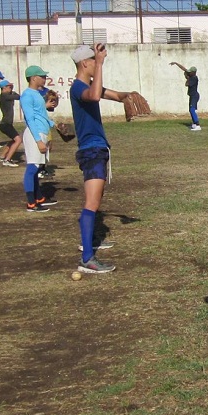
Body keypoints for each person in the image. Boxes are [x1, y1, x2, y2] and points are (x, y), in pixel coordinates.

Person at [71, 43, 130, 274]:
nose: (97, 64)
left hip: (97, 149)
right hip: (91, 151)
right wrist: (101, 62)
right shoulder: (78, 87)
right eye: (94, 61)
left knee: (95, 201)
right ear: (85, 63)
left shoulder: (88, 85)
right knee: (92, 203)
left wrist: (129, 96)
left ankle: (89, 243)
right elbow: (95, 96)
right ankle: (87, 258)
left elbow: (112, 94)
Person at [18, 67, 58, 213]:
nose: (44, 79)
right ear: (33, 78)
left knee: (36, 168)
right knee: (32, 168)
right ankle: (31, 203)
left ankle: (39, 198)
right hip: (34, 134)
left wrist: (54, 125)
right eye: (42, 76)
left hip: (41, 132)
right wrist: (38, 141)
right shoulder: (27, 95)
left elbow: (42, 115)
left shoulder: (36, 94)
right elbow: (30, 119)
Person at [0, 81, 23, 167]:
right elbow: (18, 97)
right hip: (6, 124)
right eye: (9, 87)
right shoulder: (4, 96)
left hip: (6, 124)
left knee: (14, 140)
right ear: (4, 88)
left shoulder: (5, 95)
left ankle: (2, 156)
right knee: (18, 140)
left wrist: (12, 92)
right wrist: (13, 93)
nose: (11, 88)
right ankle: (7, 160)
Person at [169, 62, 201, 130]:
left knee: (192, 110)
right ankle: (194, 124)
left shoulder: (194, 78)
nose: (189, 73)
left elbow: (187, 84)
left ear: (193, 72)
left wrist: (187, 77)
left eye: (190, 72)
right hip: (192, 95)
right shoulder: (191, 76)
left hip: (194, 96)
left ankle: (197, 125)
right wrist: (176, 63)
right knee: (190, 110)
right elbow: (184, 69)